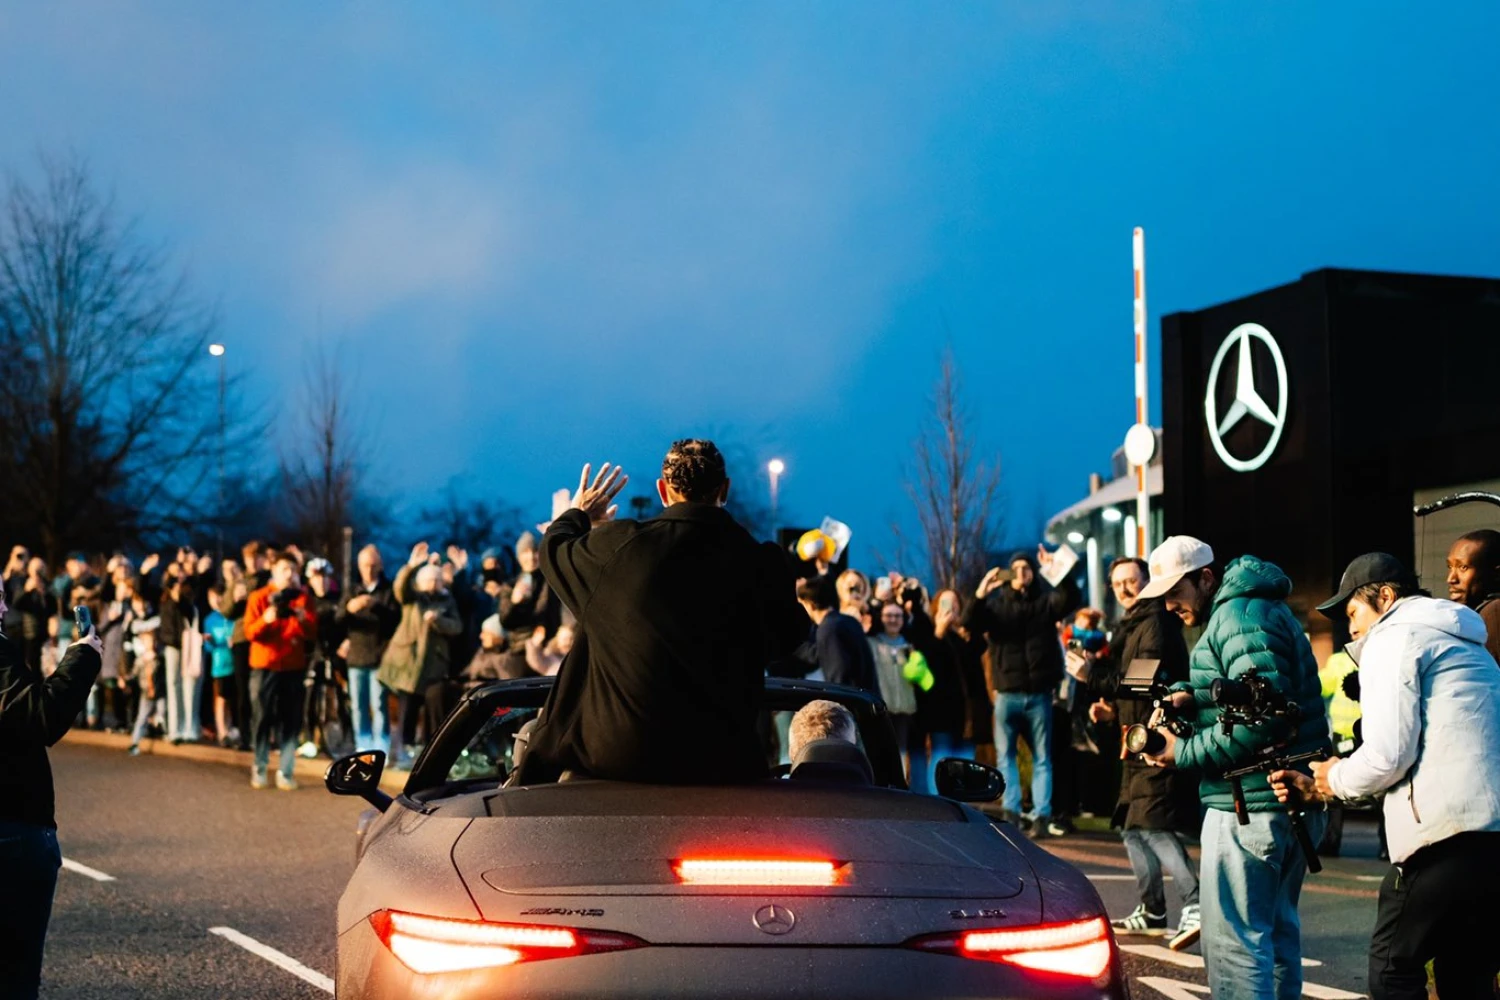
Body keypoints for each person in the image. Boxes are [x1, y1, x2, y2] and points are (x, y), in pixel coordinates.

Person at [1271, 552, 1500, 1000]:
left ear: (1387, 597)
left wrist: (1331, 778)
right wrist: (1327, 790)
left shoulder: (1394, 637)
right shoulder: (1467, 645)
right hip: (1492, 841)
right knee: (1466, 976)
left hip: (1442, 840)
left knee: (1393, 970)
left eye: (1353, 612)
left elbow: (1388, 756)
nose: (1350, 627)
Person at [521, 440, 809, 784]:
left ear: (662, 490)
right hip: (722, 766)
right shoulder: (762, 563)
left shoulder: (617, 550)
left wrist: (579, 514)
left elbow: (554, 549)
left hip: (618, 765)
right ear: (725, 489)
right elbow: (791, 635)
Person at [1136, 536, 1328, 1000]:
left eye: (1175, 592)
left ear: (1206, 578)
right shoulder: (1254, 610)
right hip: (1284, 800)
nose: (1169, 605)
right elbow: (1258, 696)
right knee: (1275, 935)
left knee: (1234, 947)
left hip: (1249, 803)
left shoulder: (1238, 617)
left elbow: (1264, 718)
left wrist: (1181, 752)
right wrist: (1192, 695)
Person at [1087, 556, 1202, 950]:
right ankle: (1152, 911)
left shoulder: (1155, 621)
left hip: (1158, 737)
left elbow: (1141, 681)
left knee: (1153, 824)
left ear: (1146, 581)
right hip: (1135, 739)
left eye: (1130, 580)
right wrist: (1112, 713)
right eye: (1117, 583)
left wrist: (1090, 676)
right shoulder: (1134, 624)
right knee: (1131, 826)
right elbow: (1136, 690)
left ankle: (1195, 903)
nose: (1123, 588)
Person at [0, 583, 102, 999]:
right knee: (14, 977)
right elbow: (40, 716)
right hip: (13, 825)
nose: (3, 607)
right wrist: (83, 656)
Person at [964, 546, 1080, 835]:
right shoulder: (996, 607)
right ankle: (1012, 813)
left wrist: (1057, 570)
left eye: (1026, 568)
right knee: (1007, 758)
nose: (1020, 573)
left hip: (1039, 693)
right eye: (1014, 569)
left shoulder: (1044, 603)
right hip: (1007, 693)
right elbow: (969, 623)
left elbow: (1070, 598)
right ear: (1007, 575)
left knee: (1042, 758)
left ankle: (1041, 817)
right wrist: (981, 592)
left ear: (1033, 573)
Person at [377, 545, 463, 768]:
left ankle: (425, 752)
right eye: (429, 580)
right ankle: (403, 751)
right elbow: (400, 588)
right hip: (409, 663)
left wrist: (438, 621)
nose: (433, 584)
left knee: (430, 709)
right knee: (407, 710)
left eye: (437, 580)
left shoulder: (447, 601)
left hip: (434, 666)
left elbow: (457, 627)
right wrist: (411, 566)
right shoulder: (413, 598)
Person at [243, 554, 317, 790]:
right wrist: (266, 619)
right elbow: (249, 632)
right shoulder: (259, 597)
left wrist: (302, 618)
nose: (289, 573)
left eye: (293, 569)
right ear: (274, 570)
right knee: (262, 717)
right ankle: (259, 767)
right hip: (265, 666)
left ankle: (286, 770)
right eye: (284, 568)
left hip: (293, 667)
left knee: (291, 720)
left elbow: (312, 632)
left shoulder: (302, 599)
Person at [338, 545, 399, 754]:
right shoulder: (351, 590)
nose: (369, 570)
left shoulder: (388, 591)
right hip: (356, 657)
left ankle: (381, 749)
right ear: (359, 566)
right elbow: (337, 620)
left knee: (379, 705)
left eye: (373, 565)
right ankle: (363, 747)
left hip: (379, 657)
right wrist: (349, 609)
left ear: (380, 565)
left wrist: (376, 606)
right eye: (365, 565)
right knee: (358, 706)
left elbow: (395, 621)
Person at [793, 573, 878, 692]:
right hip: (866, 697)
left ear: (811, 605)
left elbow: (838, 676)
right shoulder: (848, 621)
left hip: (850, 700)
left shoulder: (829, 629)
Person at [499, 532, 560, 679]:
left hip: (549, 650)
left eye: (535, 551)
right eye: (525, 552)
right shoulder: (510, 585)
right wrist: (515, 603)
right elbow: (505, 621)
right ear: (519, 557)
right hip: (519, 651)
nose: (531, 557)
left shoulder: (551, 581)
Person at [1444, 529, 1500, 663]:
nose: (1451, 579)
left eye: (1463, 567)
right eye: (1450, 567)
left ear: (1496, 574)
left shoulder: (1495, 611)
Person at [202, 589, 237, 747]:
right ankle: (221, 731)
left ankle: (229, 729)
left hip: (233, 662)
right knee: (220, 698)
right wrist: (210, 642)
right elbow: (208, 648)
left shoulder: (231, 616)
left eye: (218, 597)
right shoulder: (210, 620)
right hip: (219, 665)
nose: (215, 600)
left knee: (230, 699)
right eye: (211, 597)